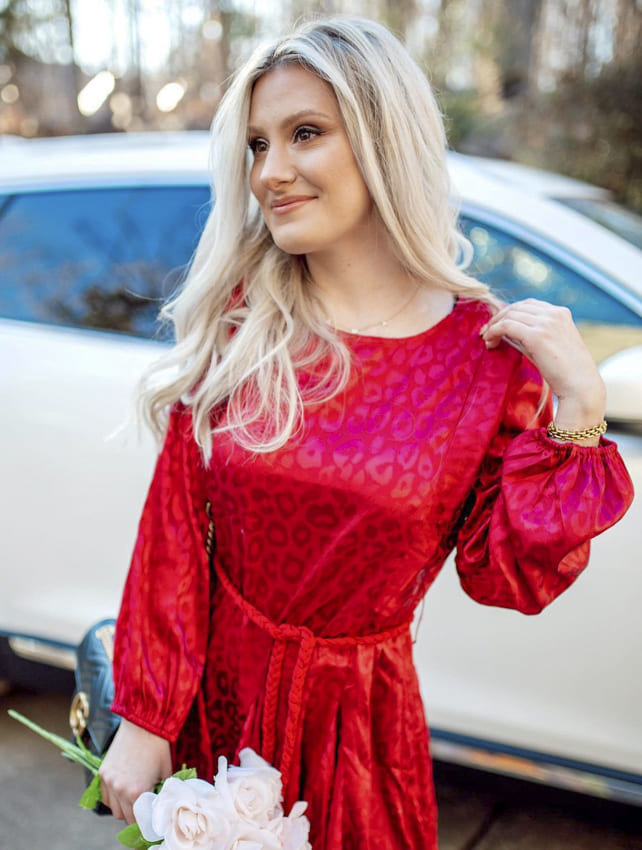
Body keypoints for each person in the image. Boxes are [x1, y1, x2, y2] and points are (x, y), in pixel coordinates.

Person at [98, 16, 634, 849]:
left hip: (359, 738)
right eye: (256, 145)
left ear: (385, 138)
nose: (272, 172)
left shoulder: (484, 359)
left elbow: (510, 579)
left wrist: (578, 409)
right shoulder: (245, 324)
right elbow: (174, 532)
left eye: (304, 134)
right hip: (216, 709)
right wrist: (148, 713)